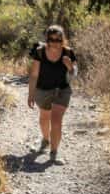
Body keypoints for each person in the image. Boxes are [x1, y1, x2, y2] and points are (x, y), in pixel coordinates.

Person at [27, 24, 78, 165]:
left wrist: (69, 66)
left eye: (58, 39)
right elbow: (34, 75)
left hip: (62, 90)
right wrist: (31, 94)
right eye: (52, 39)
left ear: (63, 40)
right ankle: (45, 140)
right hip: (43, 90)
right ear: (47, 39)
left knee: (56, 120)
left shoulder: (68, 52)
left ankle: (54, 153)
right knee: (44, 117)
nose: (55, 43)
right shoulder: (40, 52)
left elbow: (75, 74)